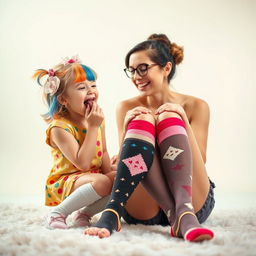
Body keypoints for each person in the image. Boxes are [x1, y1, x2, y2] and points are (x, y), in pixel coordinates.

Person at [84, 34, 215, 242]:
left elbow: (201, 160)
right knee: (141, 117)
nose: (137, 76)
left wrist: (181, 119)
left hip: (191, 198)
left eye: (143, 68)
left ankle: (182, 211)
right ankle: (171, 215)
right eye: (132, 70)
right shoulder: (126, 107)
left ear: (166, 68)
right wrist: (130, 127)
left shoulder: (196, 106)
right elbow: (131, 163)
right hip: (145, 205)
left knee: (169, 116)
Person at [33, 56, 115, 229]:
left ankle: (84, 214)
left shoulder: (97, 118)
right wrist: (93, 127)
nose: (91, 91)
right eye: (81, 87)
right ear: (63, 99)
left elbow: (104, 151)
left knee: (120, 178)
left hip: (93, 177)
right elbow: (83, 164)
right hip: (65, 181)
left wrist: (111, 175)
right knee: (103, 182)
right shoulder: (59, 128)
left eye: (93, 85)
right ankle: (57, 213)